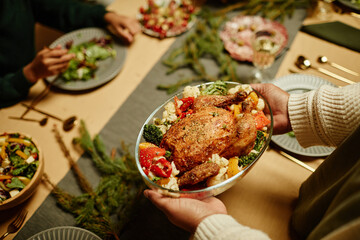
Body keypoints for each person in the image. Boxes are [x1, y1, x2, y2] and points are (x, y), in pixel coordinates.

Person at [144, 82, 360, 240]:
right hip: (194, 134)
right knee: (210, 153)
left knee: (216, 160)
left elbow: (211, 166)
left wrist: (208, 223)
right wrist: (303, 111)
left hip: (218, 134)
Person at [0, 0, 140, 108]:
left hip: (37, 85)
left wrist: (105, 16)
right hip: (11, 104)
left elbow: (56, 8)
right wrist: (28, 74)